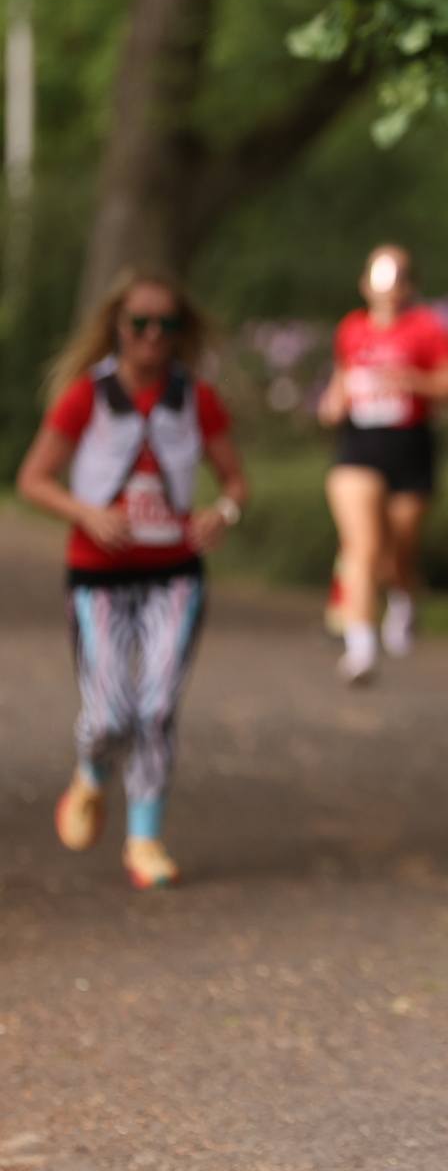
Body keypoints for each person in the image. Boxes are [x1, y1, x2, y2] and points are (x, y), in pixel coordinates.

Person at [14, 269, 248, 890]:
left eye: (165, 324)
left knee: (157, 707)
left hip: (175, 576)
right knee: (110, 714)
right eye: (139, 323)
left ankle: (145, 839)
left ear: (179, 331)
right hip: (99, 579)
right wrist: (86, 513)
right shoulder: (87, 397)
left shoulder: (196, 400)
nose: (151, 335)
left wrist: (222, 514)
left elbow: (235, 483)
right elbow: (32, 479)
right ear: (116, 326)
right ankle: (91, 777)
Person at [317, 245, 448, 685]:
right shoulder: (351, 328)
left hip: (410, 446)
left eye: (399, 276)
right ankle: (361, 649)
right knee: (361, 547)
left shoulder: (428, 328)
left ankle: (403, 598)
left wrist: (414, 381)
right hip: (359, 446)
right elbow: (342, 378)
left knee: (397, 552)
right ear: (365, 284)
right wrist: (333, 401)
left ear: (410, 285)